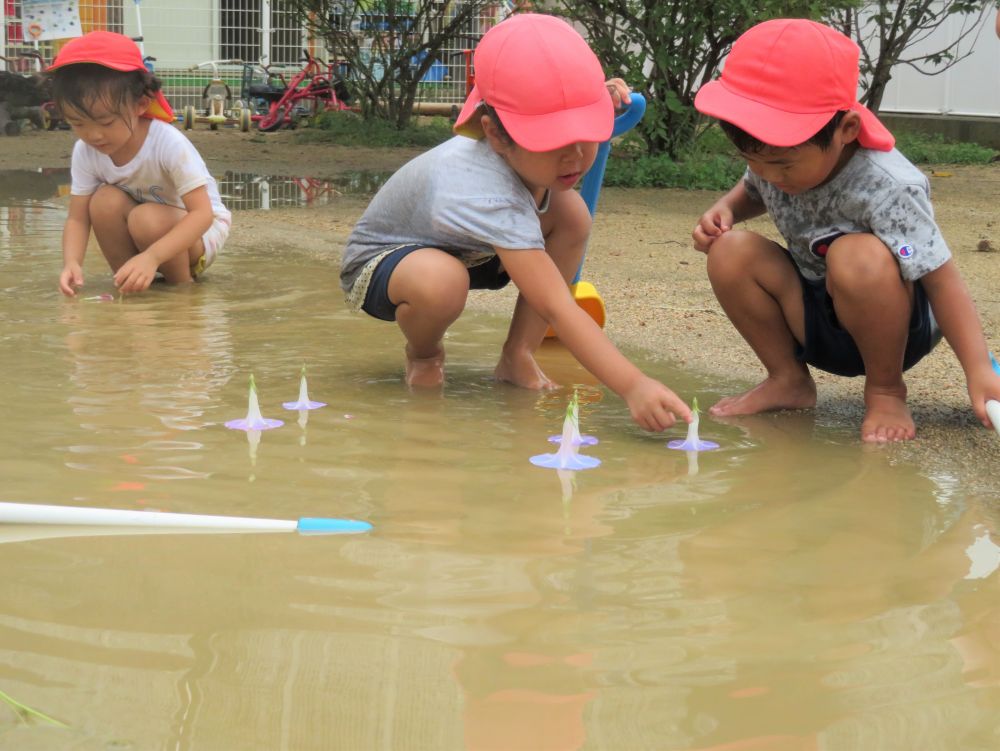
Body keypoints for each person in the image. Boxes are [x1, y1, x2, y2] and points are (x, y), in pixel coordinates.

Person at [340, 13, 690, 432]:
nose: (575, 156)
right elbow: (557, 305)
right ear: (495, 134)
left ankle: (517, 355)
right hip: (389, 264)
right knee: (442, 282)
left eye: (587, 132)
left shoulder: (523, 153)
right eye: (553, 141)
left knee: (572, 214)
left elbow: (569, 99)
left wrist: (599, 97)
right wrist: (633, 384)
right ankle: (425, 353)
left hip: (472, 250)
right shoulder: (485, 189)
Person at [691, 18, 1000, 443]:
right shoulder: (775, 155)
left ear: (846, 130)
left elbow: (940, 278)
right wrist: (725, 208)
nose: (766, 174)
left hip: (894, 324)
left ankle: (886, 391)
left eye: (781, 165)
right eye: (752, 159)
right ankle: (788, 380)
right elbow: (753, 190)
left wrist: (979, 369)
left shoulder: (888, 184)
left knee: (856, 255)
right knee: (729, 251)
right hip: (816, 317)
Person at [48, 31, 231, 296]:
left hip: (198, 233)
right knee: (103, 201)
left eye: (106, 122)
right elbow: (77, 218)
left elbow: (202, 215)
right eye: (77, 123)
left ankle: (182, 291)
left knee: (146, 218)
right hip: (146, 225)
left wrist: (153, 257)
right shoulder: (85, 151)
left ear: (141, 105)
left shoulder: (168, 143)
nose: (93, 135)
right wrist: (72, 263)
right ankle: (130, 285)